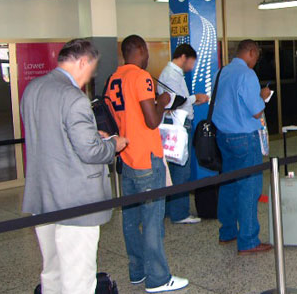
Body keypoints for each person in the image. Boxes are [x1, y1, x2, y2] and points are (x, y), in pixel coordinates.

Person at [20, 39, 128, 294]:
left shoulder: (32, 89)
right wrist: (113, 144)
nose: (91, 75)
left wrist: (92, 134)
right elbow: (90, 152)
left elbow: (53, 137)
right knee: (79, 279)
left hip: (44, 197)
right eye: (92, 68)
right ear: (82, 62)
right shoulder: (74, 97)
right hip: (76, 203)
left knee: (53, 272)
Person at [105, 35, 188, 293]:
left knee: (130, 218)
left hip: (126, 157)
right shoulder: (141, 77)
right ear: (140, 50)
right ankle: (158, 278)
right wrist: (162, 102)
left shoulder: (113, 79)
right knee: (152, 220)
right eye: (147, 52)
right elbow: (152, 121)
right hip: (147, 157)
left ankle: (137, 271)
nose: (148, 57)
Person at [211, 39, 272, 255]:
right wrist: (262, 97)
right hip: (244, 138)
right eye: (256, 57)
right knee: (249, 187)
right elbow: (256, 111)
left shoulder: (222, 72)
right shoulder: (247, 74)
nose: (255, 61)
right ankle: (248, 240)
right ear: (252, 52)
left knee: (228, 183)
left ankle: (227, 231)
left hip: (224, 137)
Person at [157, 43, 209, 224]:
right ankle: (179, 213)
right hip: (179, 125)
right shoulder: (171, 74)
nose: (192, 67)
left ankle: (171, 209)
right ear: (184, 57)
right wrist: (196, 98)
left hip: (177, 122)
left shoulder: (173, 74)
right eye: (192, 62)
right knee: (181, 168)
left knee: (174, 168)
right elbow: (174, 101)